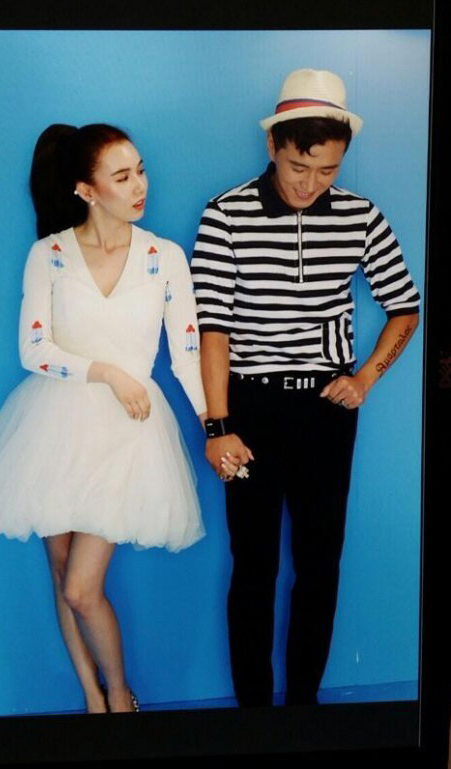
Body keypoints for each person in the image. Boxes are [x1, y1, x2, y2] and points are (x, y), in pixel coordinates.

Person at [0, 123, 224, 713]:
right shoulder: (49, 254)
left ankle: (120, 696)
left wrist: (215, 426)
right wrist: (109, 373)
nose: (140, 186)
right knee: (62, 572)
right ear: (86, 190)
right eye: (122, 176)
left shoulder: (165, 257)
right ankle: (93, 697)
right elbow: (33, 350)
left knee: (82, 588)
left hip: (129, 434)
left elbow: (187, 357)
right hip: (52, 425)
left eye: (140, 171)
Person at [191, 69, 420, 707]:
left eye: (327, 170)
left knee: (320, 565)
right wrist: (218, 424)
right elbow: (213, 328)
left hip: (325, 411)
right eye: (299, 166)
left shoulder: (360, 215)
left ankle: (303, 711)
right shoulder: (226, 213)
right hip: (249, 407)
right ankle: (254, 715)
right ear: (273, 146)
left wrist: (365, 377)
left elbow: (405, 307)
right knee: (254, 566)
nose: (310, 183)